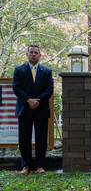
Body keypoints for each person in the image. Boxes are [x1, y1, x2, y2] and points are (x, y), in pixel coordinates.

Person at [12, 44, 54, 174]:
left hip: (41, 109)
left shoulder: (47, 71)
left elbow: (49, 89)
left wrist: (37, 101)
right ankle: (26, 166)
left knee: (41, 139)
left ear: (40, 55)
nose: (34, 54)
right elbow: (16, 87)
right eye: (31, 52)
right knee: (24, 139)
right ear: (27, 54)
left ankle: (40, 166)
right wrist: (28, 100)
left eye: (36, 52)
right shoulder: (18, 70)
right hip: (24, 108)